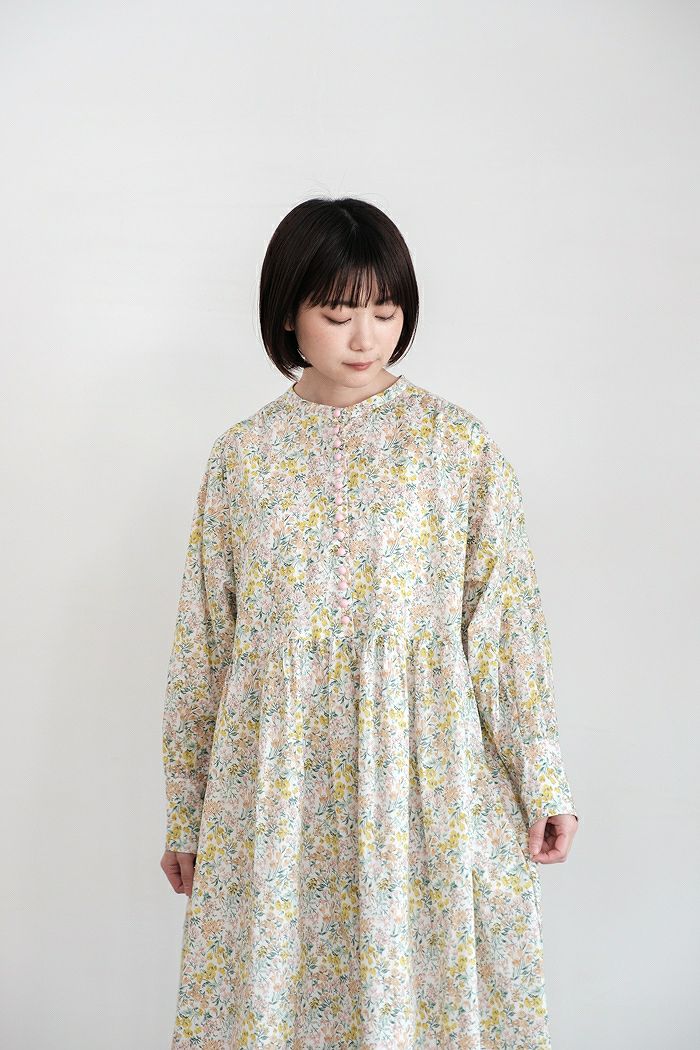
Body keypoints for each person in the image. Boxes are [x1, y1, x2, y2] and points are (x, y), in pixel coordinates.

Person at [160, 196, 579, 1049]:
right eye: (338, 312)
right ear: (289, 313)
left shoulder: (455, 447)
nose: (365, 338)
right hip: (277, 788)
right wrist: (186, 811)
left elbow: (504, 631)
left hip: (423, 778)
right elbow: (204, 646)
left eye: (385, 313)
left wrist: (542, 780)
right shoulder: (243, 459)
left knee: (419, 1001)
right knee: (276, 998)